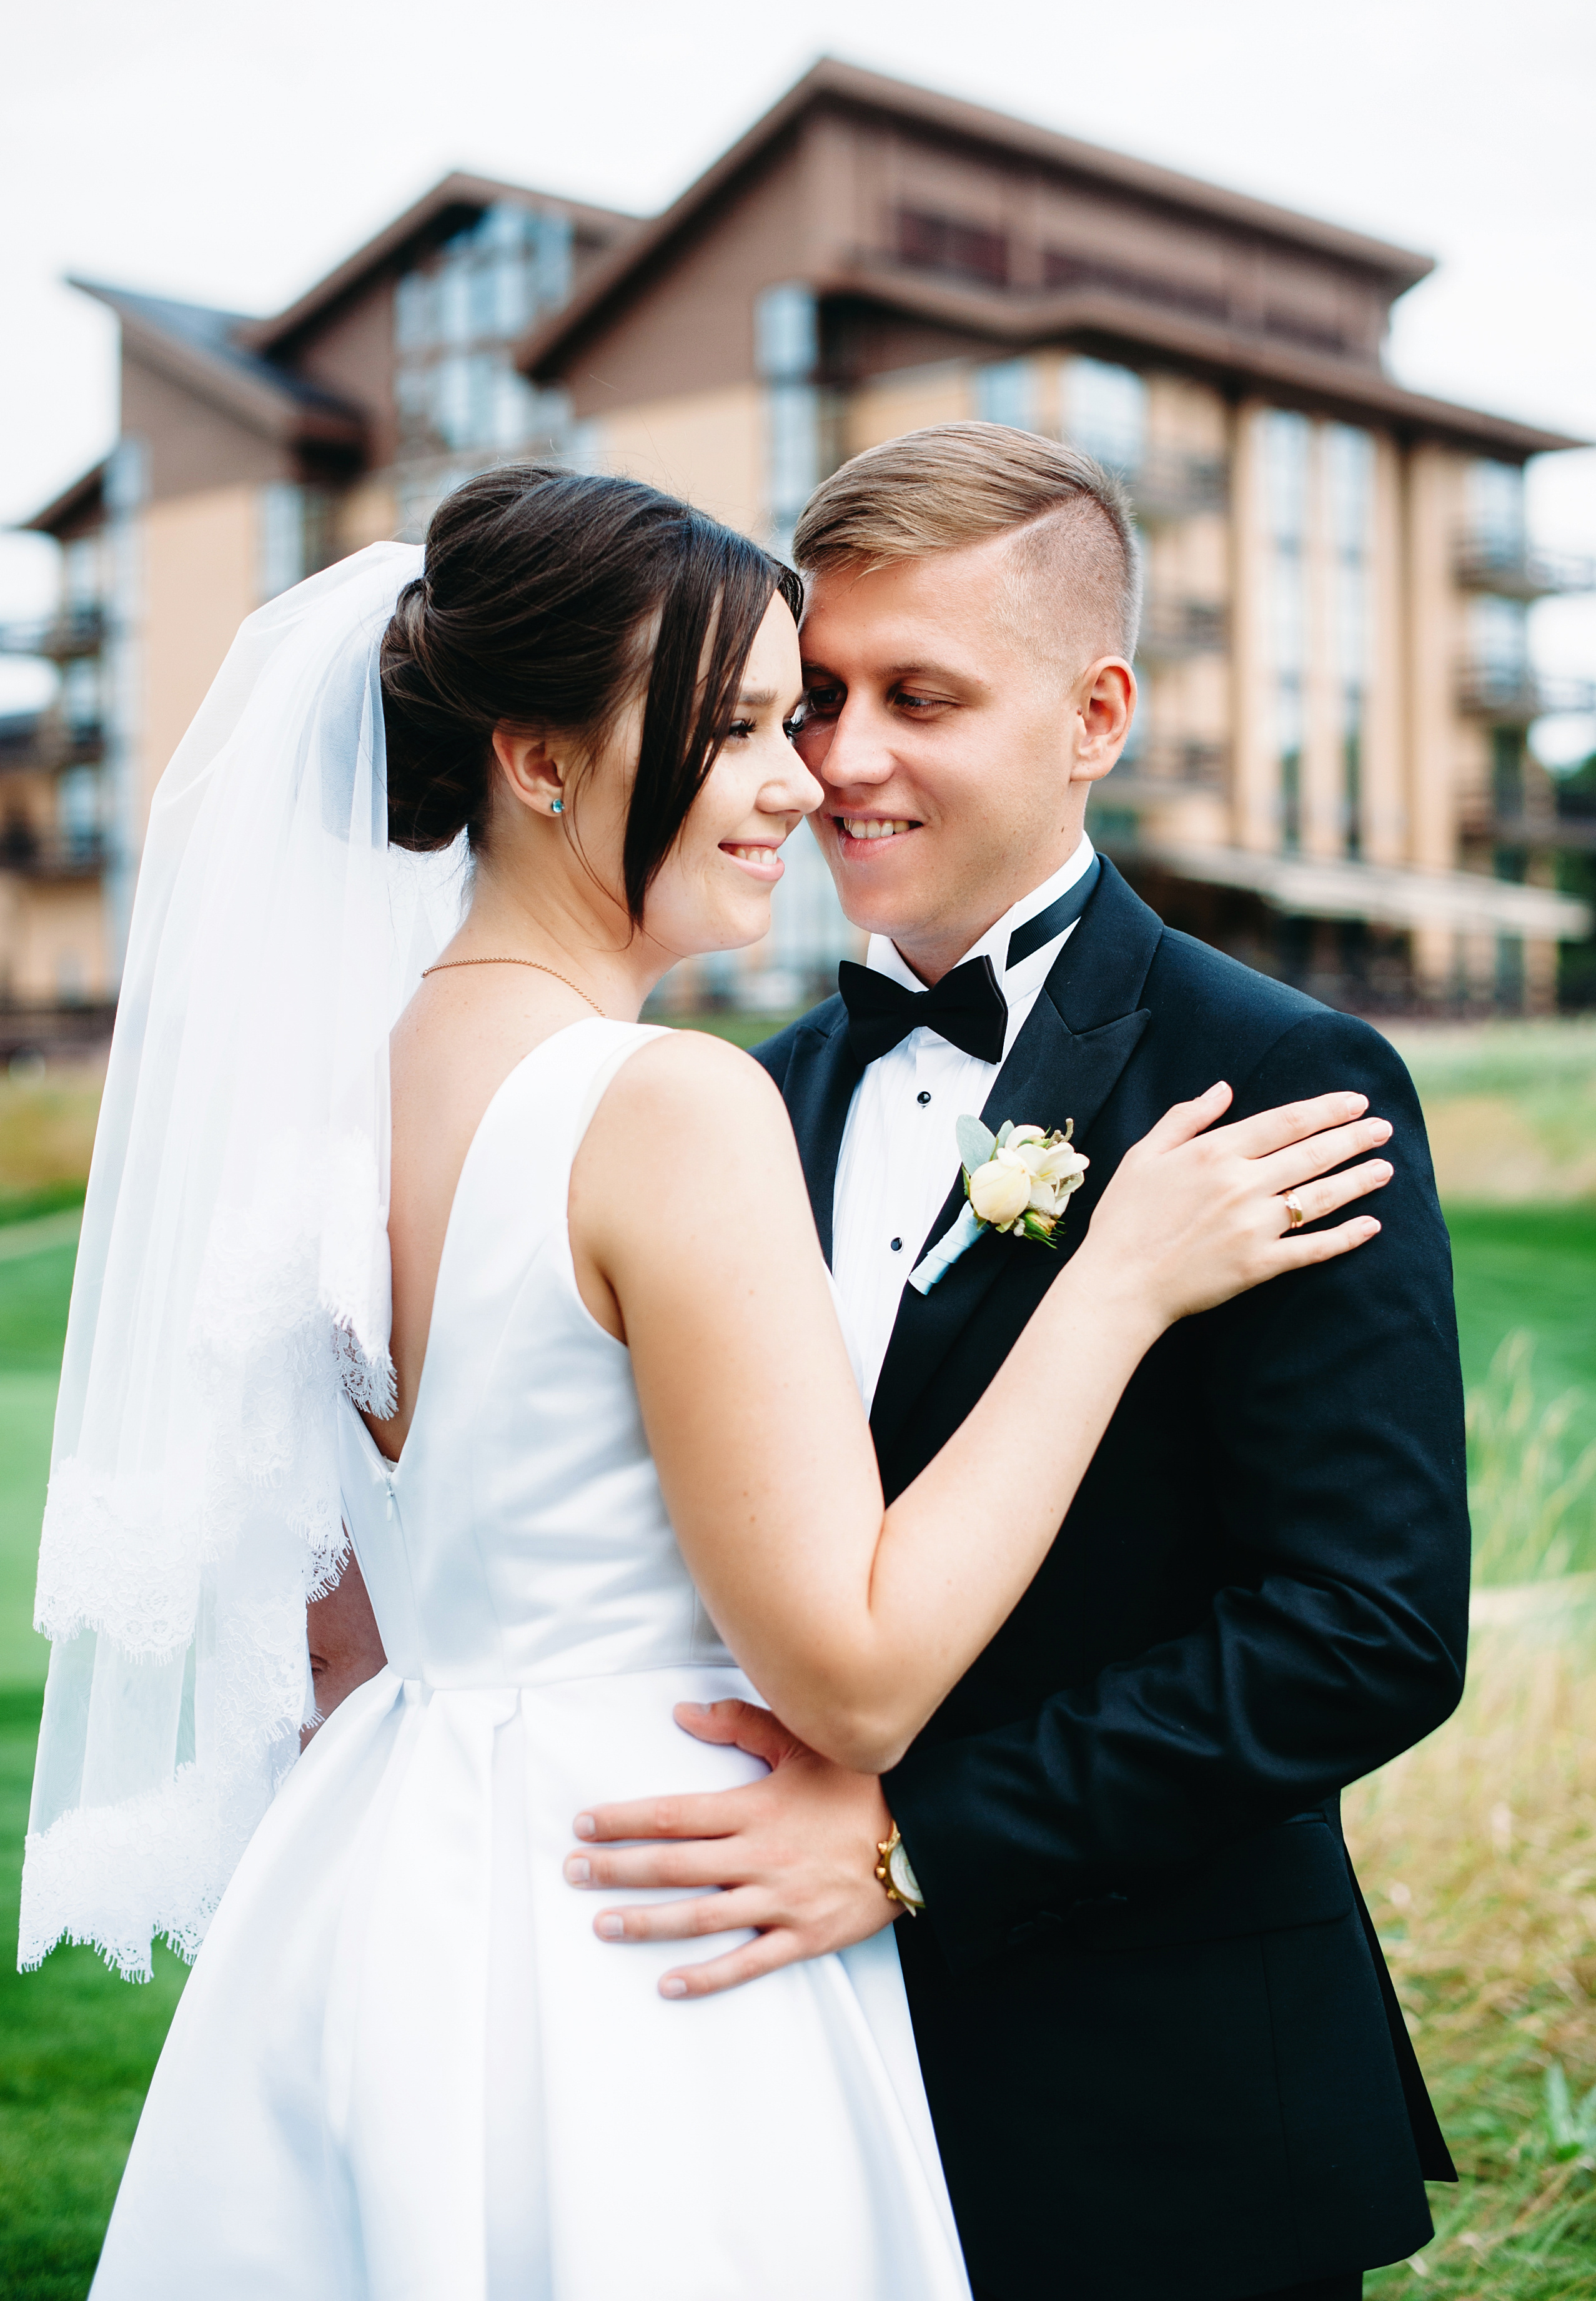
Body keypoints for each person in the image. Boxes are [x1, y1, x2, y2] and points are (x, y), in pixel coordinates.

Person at [25, 463, 1390, 2301]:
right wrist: (1116, 1281)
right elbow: (856, 1666)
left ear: (1094, 717)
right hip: (655, 1931)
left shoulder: (338, 1094)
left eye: (845, 709)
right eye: (756, 721)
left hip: (391, 1903)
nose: (807, 775)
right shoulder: (680, 1102)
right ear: (540, 761)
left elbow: (334, 1633)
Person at [562, 426, 1470, 2301]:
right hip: (780, 2091)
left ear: (1094, 715)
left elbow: (1362, 1627)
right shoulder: (737, 1109)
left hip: (1163, 2100)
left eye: (922, 696)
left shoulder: (1279, 1074)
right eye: (816, 698)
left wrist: (910, 1845)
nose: (841, 760)